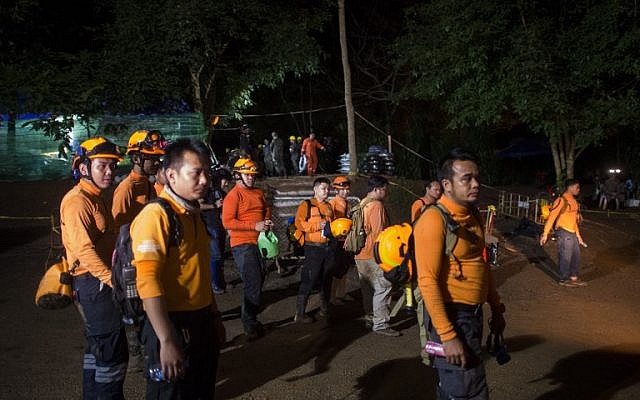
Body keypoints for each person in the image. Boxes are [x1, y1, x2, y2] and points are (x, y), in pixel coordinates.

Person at [130, 138, 226, 398]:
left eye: (207, 172)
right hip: (171, 323)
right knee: (170, 393)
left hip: (201, 321)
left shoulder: (192, 213)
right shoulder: (156, 215)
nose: (205, 180)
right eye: (196, 172)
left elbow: (200, 273)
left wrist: (214, 316)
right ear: (171, 175)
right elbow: (147, 281)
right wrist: (167, 339)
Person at [415, 148, 505, 400]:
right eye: (466, 178)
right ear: (447, 184)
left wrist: (496, 307)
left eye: (477, 177)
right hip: (452, 317)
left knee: (465, 386)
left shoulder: (472, 214)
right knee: (466, 391)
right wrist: (448, 336)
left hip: (473, 316)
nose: (475, 184)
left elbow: (481, 265)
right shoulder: (433, 220)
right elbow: (427, 281)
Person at [60, 137, 128, 398]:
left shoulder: (96, 197)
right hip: (95, 284)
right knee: (111, 351)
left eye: (112, 166)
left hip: (97, 282)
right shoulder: (78, 201)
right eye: (102, 166)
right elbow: (84, 251)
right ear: (84, 168)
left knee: (97, 349)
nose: (109, 172)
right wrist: (113, 280)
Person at [112, 129, 167, 373]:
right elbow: (118, 227)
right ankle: (137, 354)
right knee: (134, 308)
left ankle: (150, 349)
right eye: (150, 157)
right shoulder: (126, 188)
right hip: (129, 258)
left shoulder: (148, 184)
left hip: (147, 252)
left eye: (157, 157)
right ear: (136, 158)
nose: (156, 161)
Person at [222, 158, 272, 340]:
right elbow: (227, 222)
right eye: (247, 175)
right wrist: (254, 226)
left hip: (258, 241)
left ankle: (251, 318)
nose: (251, 178)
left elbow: (265, 209)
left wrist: (266, 220)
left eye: (252, 175)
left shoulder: (257, 193)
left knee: (260, 278)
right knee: (253, 281)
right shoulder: (233, 196)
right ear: (237, 175)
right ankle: (249, 323)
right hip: (242, 243)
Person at [354, 175, 399, 336]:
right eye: (384, 189)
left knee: (367, 288)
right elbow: (380, 233)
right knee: (383, 287)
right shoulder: (377, 206)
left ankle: (370, 317)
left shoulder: (361, 203)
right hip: (373, 253)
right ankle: (381, 324)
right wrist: (384, 256)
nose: (386, 193)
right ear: (377, 189)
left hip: (359, 254)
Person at [294, 177, 336, 323]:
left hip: (328, 247)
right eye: (323, 188)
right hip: (313, 248)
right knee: (309, 279)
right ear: (315, 189)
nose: (327, 191)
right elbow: (299, 224)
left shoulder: (329, 206)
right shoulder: (306, 205)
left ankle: (325, 309)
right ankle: (300, 314)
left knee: (327, 279)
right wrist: (317, 226)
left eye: (328, 188)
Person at [410, 179, 442, 366]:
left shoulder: (439, 207)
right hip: (423, 269)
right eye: (435, 188)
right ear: (427, 189)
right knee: (424, 315)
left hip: (435, 269)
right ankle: (427, 352)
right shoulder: (419, 205)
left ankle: (435, 352)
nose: (437, 191)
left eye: (440, 189)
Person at [540, 179, 588, 287]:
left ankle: (574, 277)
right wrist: (545, 233)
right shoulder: (561, 200)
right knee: (565, 256)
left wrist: (578, 236)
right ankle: (564, 279)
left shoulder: (574, 202)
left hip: (572, 232)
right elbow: (552, 218)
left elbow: (574, 220)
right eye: (577, 187)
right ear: (570, 188)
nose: (578, 190)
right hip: (563, 231)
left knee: (576, 256)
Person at [200, 167, 232, 294]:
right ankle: (214, 284)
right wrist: (214, 205)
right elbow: (199, 205)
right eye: (225, 180)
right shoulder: (206, 191)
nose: (226, 183)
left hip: (220, 226)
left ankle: (221, 282)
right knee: (215, 256)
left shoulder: (221, 192)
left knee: (221, 256)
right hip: (210, 225)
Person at [329, 176, 354, 305]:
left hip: (345, 239)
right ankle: (333, 297)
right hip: (337, 240)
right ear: (336, 190)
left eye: (347, 189)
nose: (345, 192)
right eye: (342, 189)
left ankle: (341, 293)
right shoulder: (333, 203)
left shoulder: (347, 203)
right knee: (336, 270)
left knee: (344, 268)